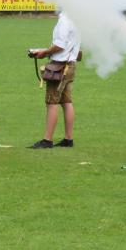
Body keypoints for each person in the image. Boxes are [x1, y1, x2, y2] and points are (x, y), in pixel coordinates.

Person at [26, 11, 81, 149]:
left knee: (52, 102)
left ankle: (47, 140)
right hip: (71, 64)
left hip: (60, 65)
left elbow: (60, 46)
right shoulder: (77, 17)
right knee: (66, 102)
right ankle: (68, 139)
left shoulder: (64, 19)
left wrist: (44, 52)